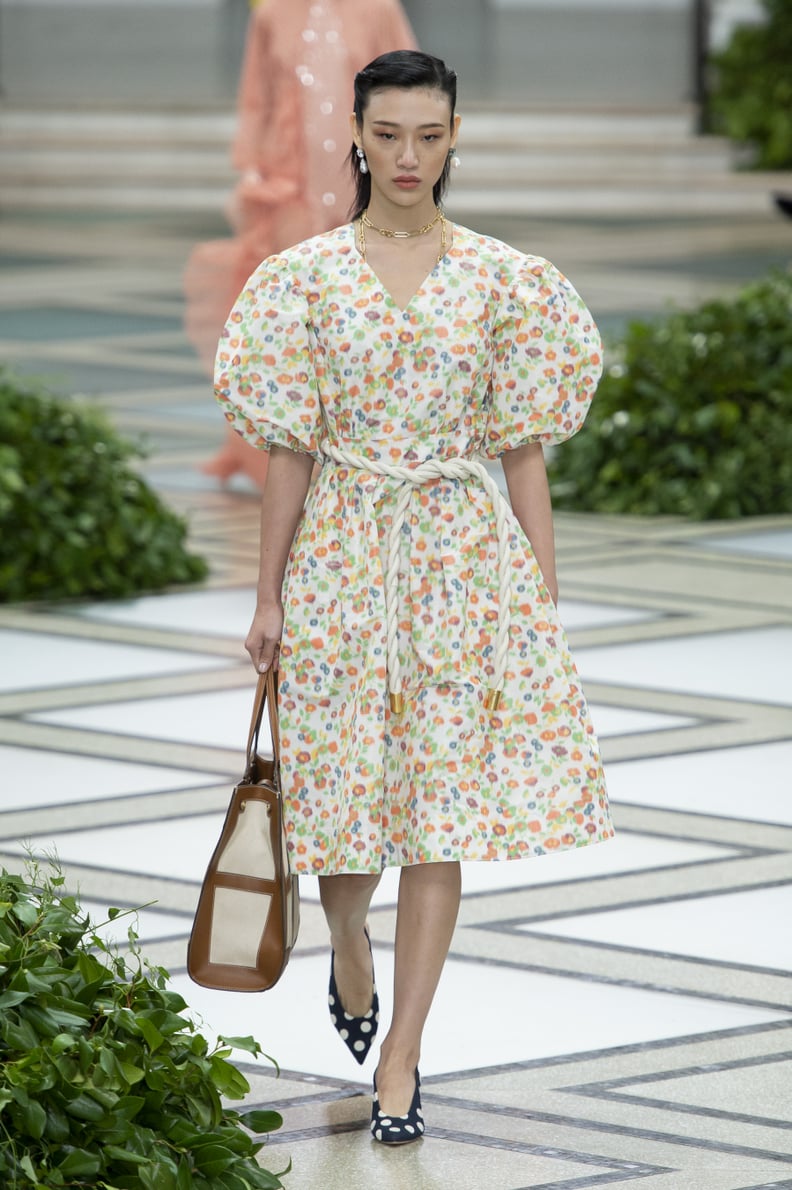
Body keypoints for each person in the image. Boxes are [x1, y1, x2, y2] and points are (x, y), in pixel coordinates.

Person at [214, 49, 614, 1145]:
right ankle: (348, 944)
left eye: (428, 135)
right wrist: (268, 599)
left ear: (454, 138)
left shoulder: (503, 280)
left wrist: (538, 590)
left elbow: (524, 451)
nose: (407, 156)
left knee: (440, 815)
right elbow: (291, 451)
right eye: (387, 134)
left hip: (458, 559)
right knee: (343, 820)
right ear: (355, 134)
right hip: (342, 556)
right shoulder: (305, 280)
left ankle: (403, 1055)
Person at [184, 0, 416, 487]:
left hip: (361, 186)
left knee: (363, 316)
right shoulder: (272, 13)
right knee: (287, 321)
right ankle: (281, 452)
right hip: (289, 189)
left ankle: (365, 446)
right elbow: (258, 95)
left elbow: (406, 88)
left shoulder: (376, 9)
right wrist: (254, 166)